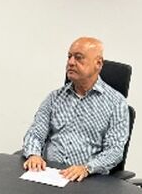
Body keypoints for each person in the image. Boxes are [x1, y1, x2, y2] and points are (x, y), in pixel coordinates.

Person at [21, 38, 129, 182]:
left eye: (78, 58)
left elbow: (114, 151)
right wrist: (34, 154)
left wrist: (87, 168)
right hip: (49, 174)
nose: (71, 62)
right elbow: (35, 134)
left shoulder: (116, 103)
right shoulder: (54, 97)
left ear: (98, 64)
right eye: (69, 57)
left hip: (86, 179)